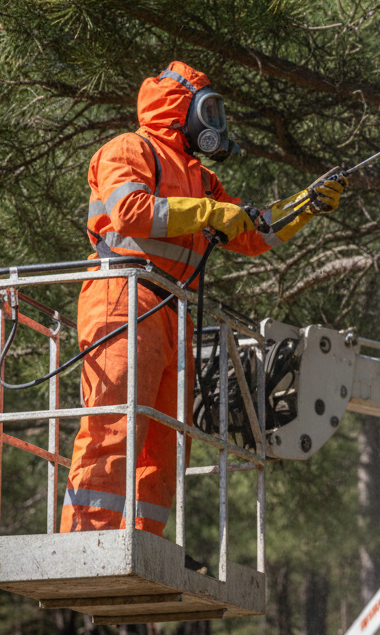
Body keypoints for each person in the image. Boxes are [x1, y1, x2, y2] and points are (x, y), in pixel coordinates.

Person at [60, 61, 347, 536]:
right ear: (178, 111)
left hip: (169, 309)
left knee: (166, 442)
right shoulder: (129, 149)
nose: (215, 125)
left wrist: (306, 205)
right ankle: (84, 543)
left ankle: (142, 545)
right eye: (208, 111)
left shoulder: (200, 178)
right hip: (122, 296)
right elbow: (129, 213)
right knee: (114, 425)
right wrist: (206, 213)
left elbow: (250, 231)